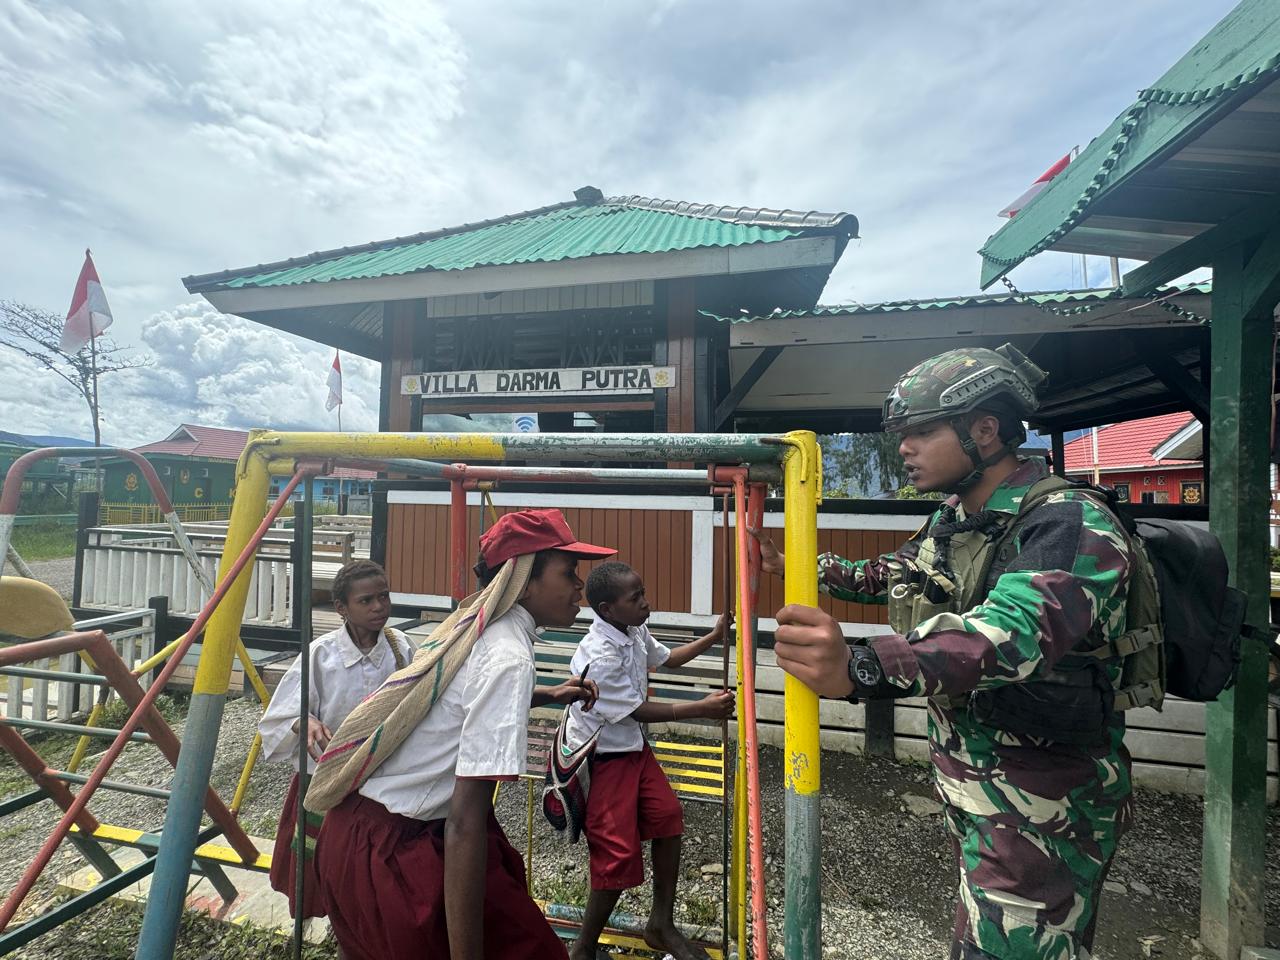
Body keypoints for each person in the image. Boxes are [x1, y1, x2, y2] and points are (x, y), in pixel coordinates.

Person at [755, 344, 1136, 960]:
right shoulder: (958, 517)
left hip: (1044, 800)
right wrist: (796, 565)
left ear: (983, 430)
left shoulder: (1069, 521)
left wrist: (861, 666)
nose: (904, 449)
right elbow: (896, 574)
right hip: (977, 782)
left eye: (922, 432)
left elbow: (1012, 633)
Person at [306, 509, 614, 960]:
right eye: (568, 572)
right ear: (523, 580)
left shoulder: (472, 628)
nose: (579, 585)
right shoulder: (508, 656)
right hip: (399, 850)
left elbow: (458, 703)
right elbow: (465, 822)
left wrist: (545, 694)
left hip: (353, 834)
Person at [563, 561, 734, 960]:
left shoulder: (633, 629)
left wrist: (714, 636)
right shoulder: (599, 655)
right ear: (607, 609)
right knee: (617, 855)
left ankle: (660, 923)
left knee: (667, 816)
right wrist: (700, 708)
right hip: (601, 758)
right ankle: (584, 948)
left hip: (632, 748)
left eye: (642, 593)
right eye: (635, 597)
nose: (646, 602)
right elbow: (636, 710)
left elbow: (668, 659)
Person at [257, 559, 408, 923]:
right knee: (324, 865)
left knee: (374, 869)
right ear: (341, 608)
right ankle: (334, 926)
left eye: (384, 596)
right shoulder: (320, 655)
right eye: (366, 600)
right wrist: (304, 721)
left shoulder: (401, 649)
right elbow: (279, 718)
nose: (379, 607)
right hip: (328, 783)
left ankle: (366, 929)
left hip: (384, 781)